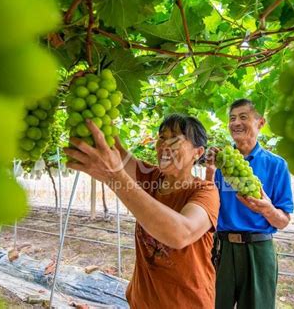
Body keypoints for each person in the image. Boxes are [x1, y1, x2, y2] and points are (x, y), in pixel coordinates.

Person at [64, 114, 219, 308]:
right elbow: (117, 151)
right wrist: (100, 114)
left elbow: (181, 233)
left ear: (197, 153)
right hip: (142, 302)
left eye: (175, 138)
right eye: (162, 137)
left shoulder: (206, 192)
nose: (164, 144)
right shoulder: (151, 176)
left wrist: (114, 177)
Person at [205, 99, 294, 309]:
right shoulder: (221, 163)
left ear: (260, 122)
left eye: (243, 117)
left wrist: (268, 209)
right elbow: (206, 203)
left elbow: (283, 222)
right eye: (232, 118)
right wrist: (209, 171)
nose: (236, 122)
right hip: (222, 249)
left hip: (258, 251)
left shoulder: (276, 165)